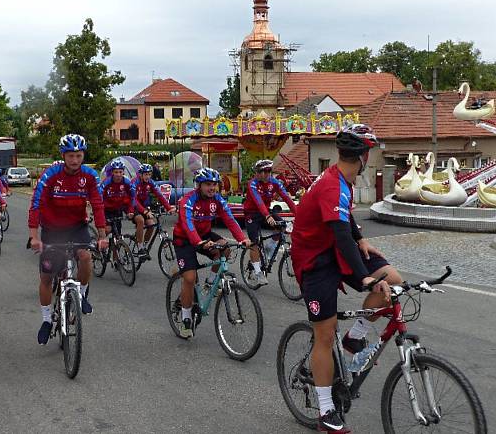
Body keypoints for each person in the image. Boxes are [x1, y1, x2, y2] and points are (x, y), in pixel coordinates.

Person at [290, 124, 402, 433]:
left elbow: (344, 219)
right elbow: (339, 234)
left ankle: (355, 335)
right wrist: (366, 279)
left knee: (392, 279)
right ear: (363, 156)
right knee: (325, 335)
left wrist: (361, 238)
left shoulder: (343, 180)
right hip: (314, 261)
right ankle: (326, 410)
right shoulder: (332, 184)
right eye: (370, 152)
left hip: (337, 250)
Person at [28, 134, 108, 345]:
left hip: (77, 227)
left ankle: (81, 295)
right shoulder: (51, 175)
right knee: (46, 277)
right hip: (52, 230)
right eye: (71, 156)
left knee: (85, 256)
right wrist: (34, 237)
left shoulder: (90, 176)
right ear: (63, 156)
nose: (75, 160)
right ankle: (46, 320)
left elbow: (98, 204)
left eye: (79, 155)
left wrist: (102, 235)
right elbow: (36, 204)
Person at [172, 167, 250, 339]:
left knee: (225, 248)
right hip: (185, 239)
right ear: (199, 185)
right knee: (190, 278)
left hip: (204, 235)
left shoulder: (218, 200)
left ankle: (209, 283)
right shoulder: (188, 200)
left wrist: (242, 238)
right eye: (208, 184)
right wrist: (199, 243)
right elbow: (188, 225)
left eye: (214, 184)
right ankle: (185, 318)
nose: (212, 188)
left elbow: (230, 219)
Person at [243, 158, 296, 286]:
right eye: (262, 171)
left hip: (266, 211)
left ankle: (270, 247)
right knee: (254, 242)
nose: (265, 174)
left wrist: (299, 215)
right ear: (257, 172)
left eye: (268, 171)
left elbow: (287, 199)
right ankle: (258, 272)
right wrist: (267, 216)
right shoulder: (252, 184)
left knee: (282, 226)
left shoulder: (275, 182)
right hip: (252, 214)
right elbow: (258, 202)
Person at [131, 163, 175, 259]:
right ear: (141, 174)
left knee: (151, 225)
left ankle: (144, 246)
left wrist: (169, 208)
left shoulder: (150, 182)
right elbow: (134, 200)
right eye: (146, 174)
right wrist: (145, 211)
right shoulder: (135, 182)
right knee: (141, 221)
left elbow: (159, 195)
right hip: (133, 207)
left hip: (144, 207)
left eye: (149, 174)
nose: (148, 176)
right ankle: (139, 247)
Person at [100, 159, 136, 243]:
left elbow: (133, 197)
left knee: (118, 237)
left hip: (117, 210)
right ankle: (99, 245)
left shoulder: (127, 182)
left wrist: (130, 211)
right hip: (106, 210)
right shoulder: (106, 182)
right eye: (116, 172)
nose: (118, 174)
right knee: (108, 229)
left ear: (123, 172)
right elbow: (99, 197)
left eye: (120, 172)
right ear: (112, 172)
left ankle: (116, 255)